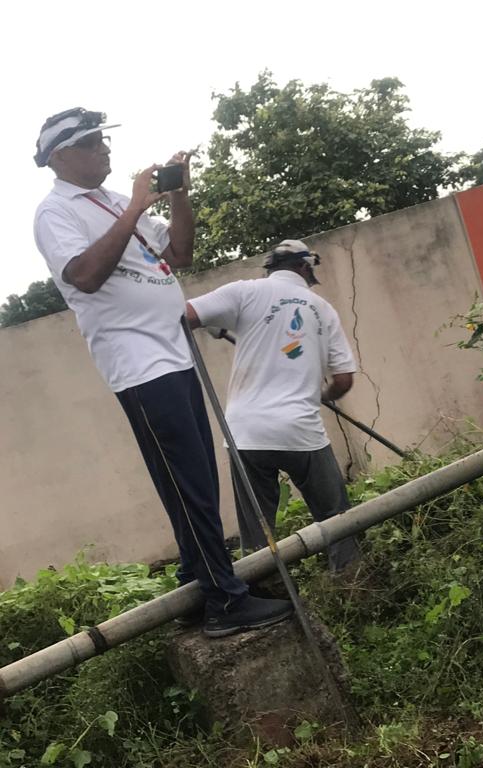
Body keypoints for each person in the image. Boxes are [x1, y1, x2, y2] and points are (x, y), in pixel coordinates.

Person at [32, 108, 292, 638]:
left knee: (196, 478)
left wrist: (178, 198)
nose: (104, 149)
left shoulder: (109, 201)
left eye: (104, 140)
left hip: (174, 355)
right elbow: (84, 275)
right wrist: (134, 207)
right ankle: (224, 601)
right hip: (140, 366)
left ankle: (198, 581)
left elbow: (180, 251)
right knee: (188, 481)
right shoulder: (55, 212)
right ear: (60, 156)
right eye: (92, 142)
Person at [186, 240, 361, 573]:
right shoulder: (322, 308)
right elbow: (343, 380)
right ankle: (349, 580)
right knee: (336, 518)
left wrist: (213, 323)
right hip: (301, 430)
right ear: (306, 267)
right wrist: (320, 395)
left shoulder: (245, 291)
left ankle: (264, 586)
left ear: (271, 267)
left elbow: (184, 316)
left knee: (257, 529)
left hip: (246, 433)